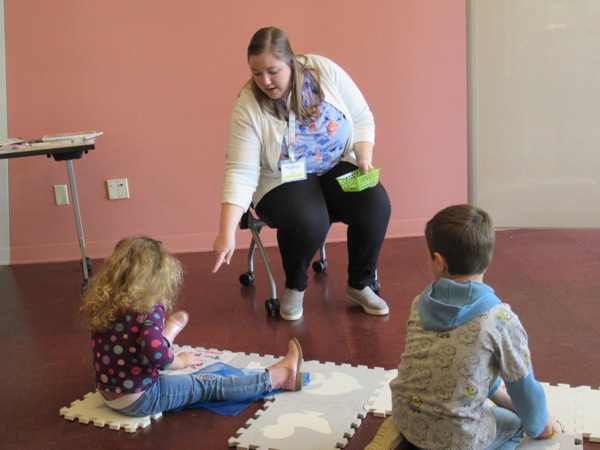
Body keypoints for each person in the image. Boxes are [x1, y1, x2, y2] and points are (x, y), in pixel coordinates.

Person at [212, 26, 392, 321]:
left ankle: (360, 283)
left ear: (292, 62)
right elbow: (241, 171)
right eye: (256, 73)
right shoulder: (248, 105)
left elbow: (361, 117)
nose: (265, 81)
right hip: (280, 177)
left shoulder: (324, 71)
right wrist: (226, 231)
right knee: (309, 220)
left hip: (335, 164)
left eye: (272, 71)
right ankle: (295, 285)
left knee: (375, 203)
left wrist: (364, 157)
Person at [384, 205, 560, 449]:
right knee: (517, 427)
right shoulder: (501, 320)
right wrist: (541, 425)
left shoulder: (420, 303)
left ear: (438, 261)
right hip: (461, 439)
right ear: (487, 257)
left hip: (408, 421)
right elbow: (524, 389)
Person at [79, 236, 304, 417]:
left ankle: (168, 331)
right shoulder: (148, 309)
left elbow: (129, 345)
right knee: (208, 384)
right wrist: (182, 362)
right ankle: (281, 377)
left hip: (109, 394)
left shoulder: (105, 302)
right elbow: (159, 357)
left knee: (151, 341)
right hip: (141, 399)